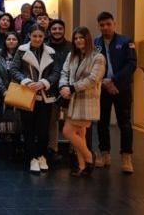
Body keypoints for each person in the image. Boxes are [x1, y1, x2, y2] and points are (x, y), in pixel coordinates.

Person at [10, 26, 60, 174]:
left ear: (44, 36)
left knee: (43, 130)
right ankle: (32, 158)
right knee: (28, 129)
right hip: (27, 94)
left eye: (40, 36)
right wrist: (25, 81)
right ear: (29, 35)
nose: (37, 39)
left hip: (45, 96)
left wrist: (44, 82)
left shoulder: (51, 51)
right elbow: (14, 69)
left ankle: (42, 156)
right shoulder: (21, 50)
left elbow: (56, 72)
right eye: (34, 36)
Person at [59, 26, 105, 177]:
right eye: (76, 38)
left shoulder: (98, 57)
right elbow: (64, 72)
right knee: (80, 133)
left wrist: (72, 88)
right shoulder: (72, 55)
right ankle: (82, 166)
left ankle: (89, 156)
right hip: (71, 100)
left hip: (86, 101)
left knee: (67, 131)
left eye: (81, 37)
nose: (78, 40)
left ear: (88, 39)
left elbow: (93, 79)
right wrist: (63, 87)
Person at [94, 11, 137, 173]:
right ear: (99, 26)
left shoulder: (126, 41)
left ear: (114, 24)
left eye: (108, 24)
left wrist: (113, 80)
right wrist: (104, 82)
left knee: (124, 123)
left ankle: (126, 157)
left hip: (121, 88)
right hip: (102, 89)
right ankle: (104, 154)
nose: (105, 27)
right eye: (102, 25)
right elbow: (93, 65)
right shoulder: (96, 43)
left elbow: (131, 64)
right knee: (102, 122)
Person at [46, 19, 72, 156]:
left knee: (71, 121)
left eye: (60, 28)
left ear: (64, 30)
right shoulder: (45, 46)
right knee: (52, 121)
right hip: (51, 88)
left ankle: (74, 150)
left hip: (69, 89)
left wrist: (69, 86)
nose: (57, 31)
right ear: (50, 31)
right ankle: (53, 149)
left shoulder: (72, 46)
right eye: (54, 29)